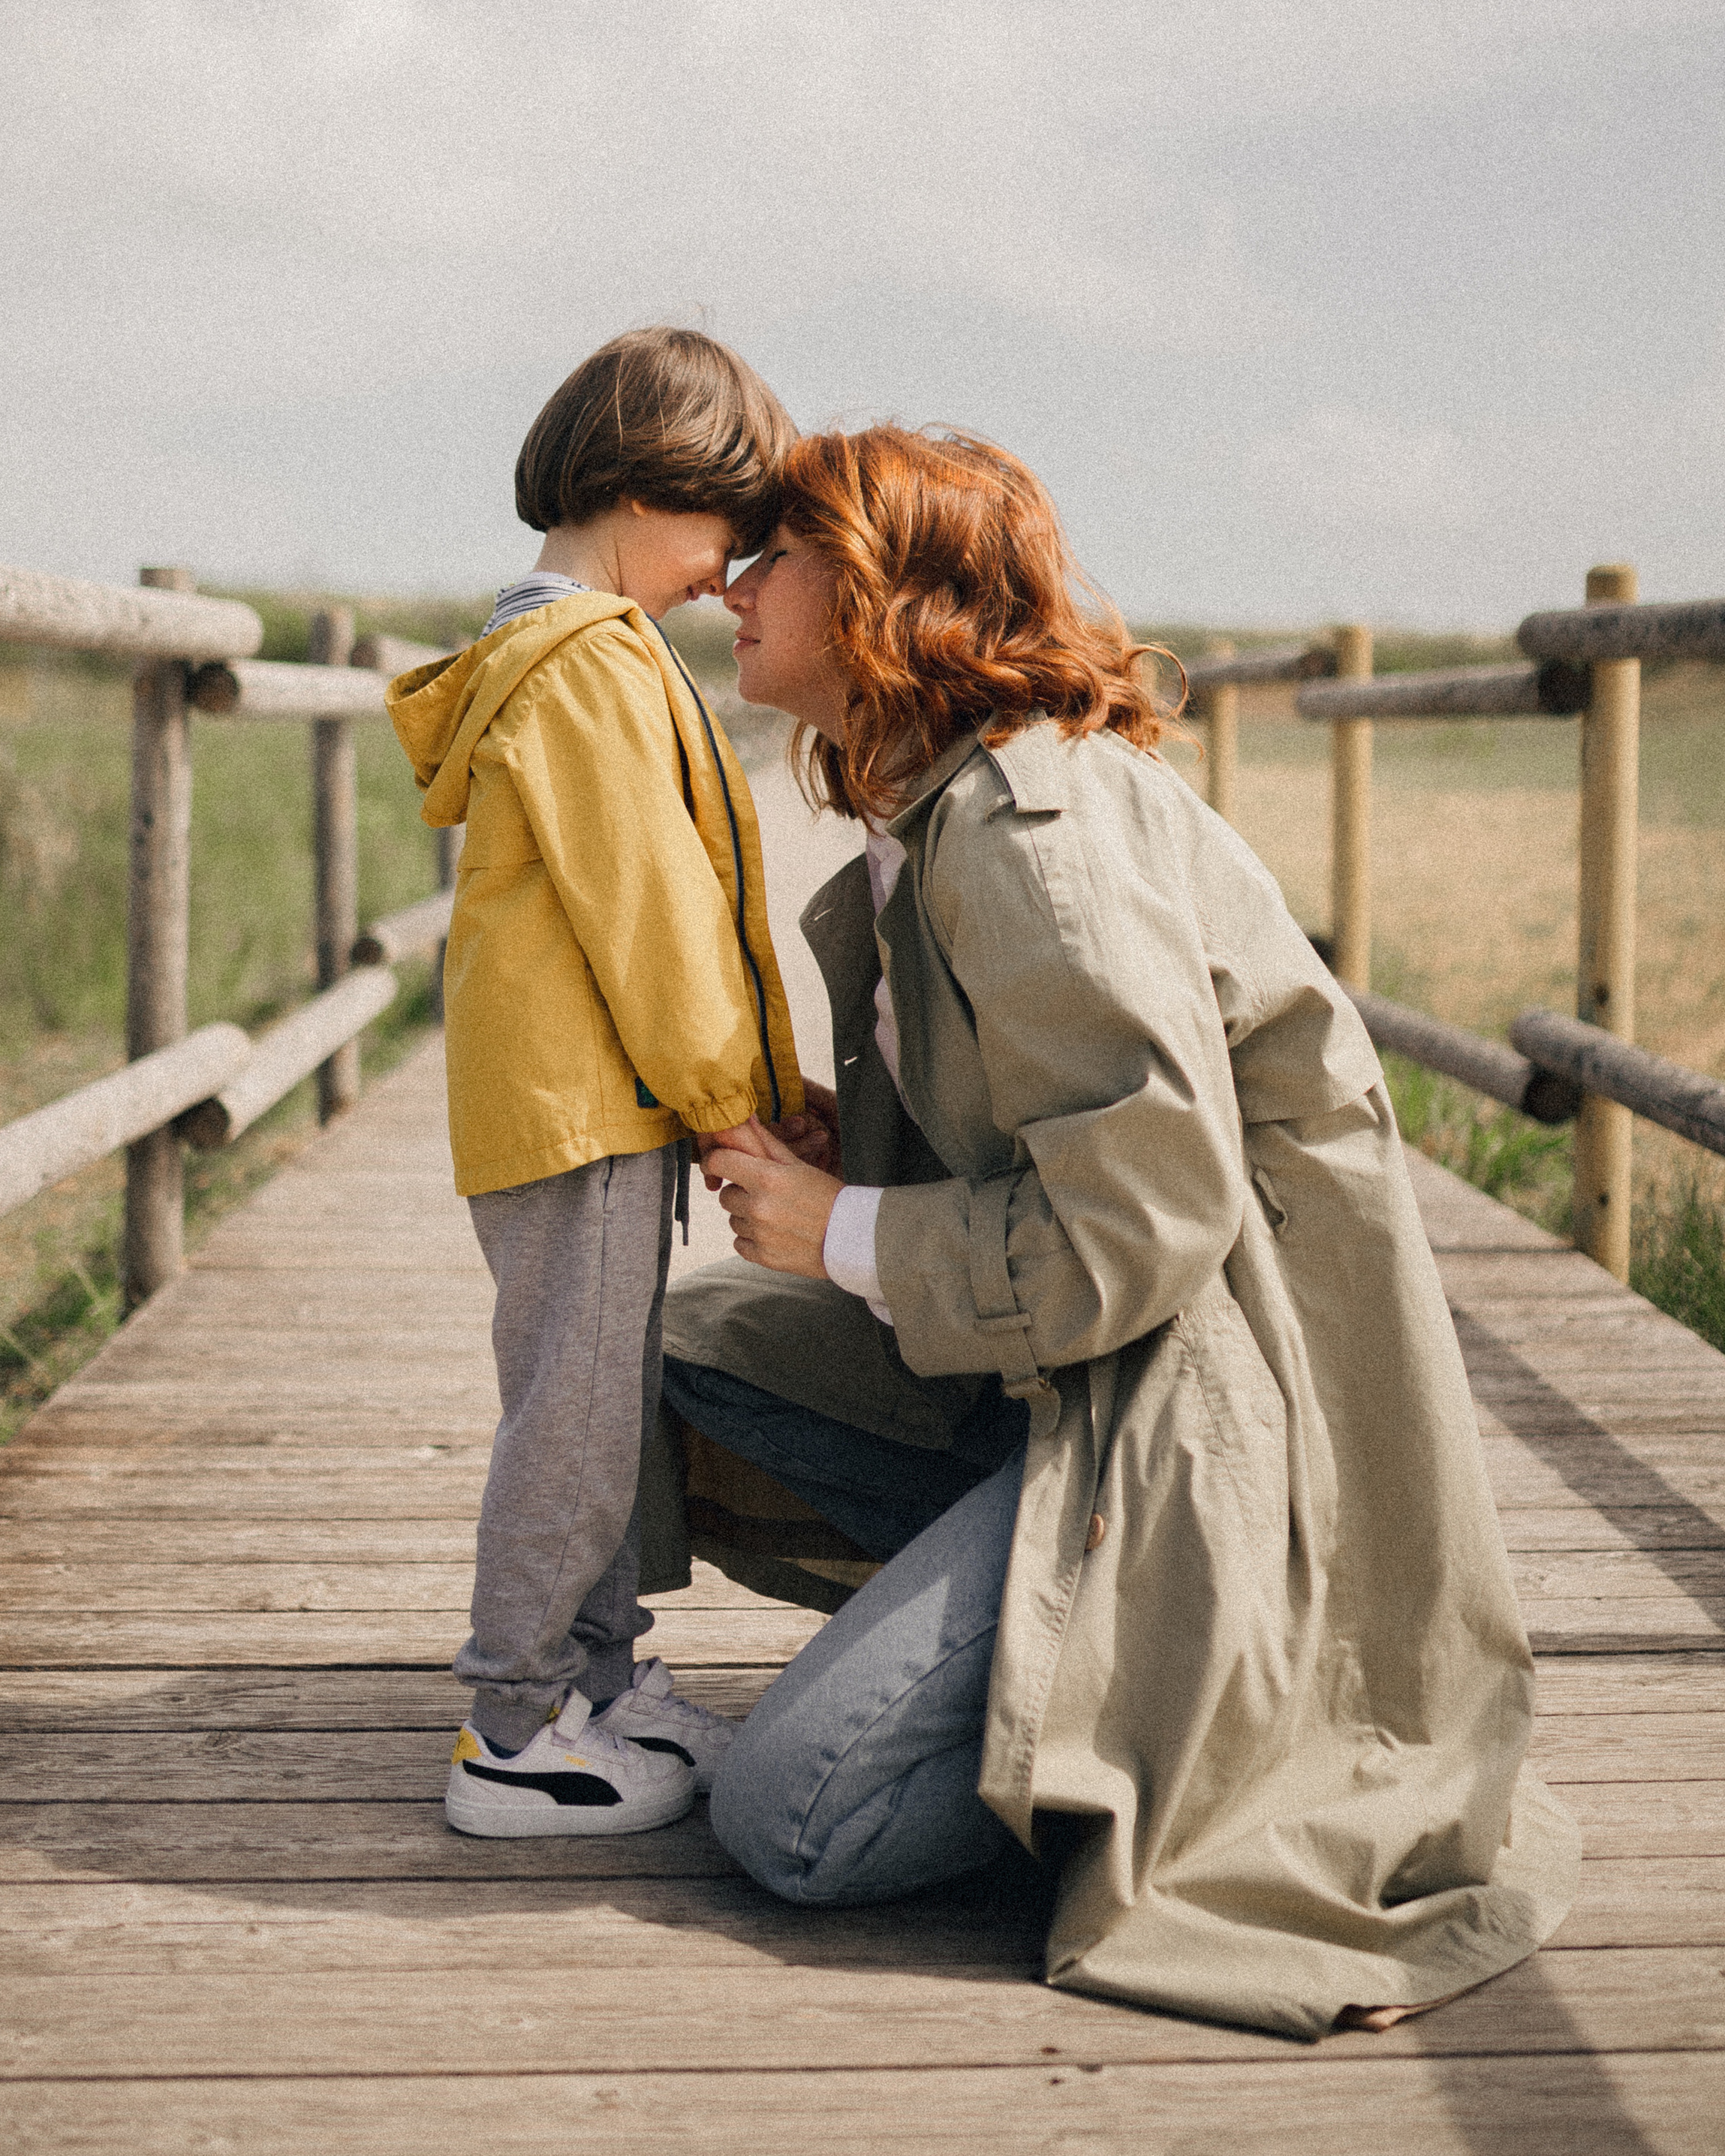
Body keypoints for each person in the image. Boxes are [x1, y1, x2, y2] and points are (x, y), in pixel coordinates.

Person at [648, 423, 1579, 2039]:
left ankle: (1128, 1764)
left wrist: (843, 1230)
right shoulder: (931, 809)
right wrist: (845, 1153)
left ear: (877, 593)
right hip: (1063, 1384)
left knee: (786, 1818)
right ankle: (1051, 1671)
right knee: (667, 1349)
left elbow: (1145, 1217)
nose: (733, 581)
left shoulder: (1030, 837)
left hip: (1197, 1411)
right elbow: (1029, 1118)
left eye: (776, 550)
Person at [386, 327, 806, 1839]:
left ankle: (603, 1680)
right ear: (648, 482)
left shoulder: (562, 645)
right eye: (726, 528)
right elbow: (653, 915)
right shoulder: (583, 667)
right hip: (587, 1104)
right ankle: (511, 1723)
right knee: (569, 1411)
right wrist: (733, 1098)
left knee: (598, 1401)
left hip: (583, 1099)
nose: (730, 567)